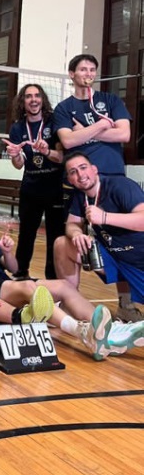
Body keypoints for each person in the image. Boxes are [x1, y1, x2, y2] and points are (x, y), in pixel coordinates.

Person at [0, 192, 144, 360]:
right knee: (28, 288)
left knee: (63, 286)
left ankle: (111, 332)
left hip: (5, 284)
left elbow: (14, 267)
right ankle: (81, 331)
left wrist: (7, 252)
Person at [52, 53, 140, 321]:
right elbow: (68, 142)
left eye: (92, 69)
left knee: (123, 240)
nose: (88, 74)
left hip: (112, 180)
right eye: (83, 69)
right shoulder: (64, 108)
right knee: (69, 238)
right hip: (82, 185)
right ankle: (70, 303)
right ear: (72, 74)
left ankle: (126, 304)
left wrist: (85, 131)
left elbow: (124, 134)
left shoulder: (110, 101)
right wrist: (102, 125)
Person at [54, 152, 144, 349]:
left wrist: (104, 217)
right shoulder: (80, 195)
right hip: (115, 257)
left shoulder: (121, 186)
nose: (80, 175)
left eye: (83, 168)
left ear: (94, 169)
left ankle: (126, 310)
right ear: (70, 179)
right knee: (62, 244)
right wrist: (76, 233)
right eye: (73, 172)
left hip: (139, 260)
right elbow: (71, 224)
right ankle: (71, 304)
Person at [2, 84, 64, 280]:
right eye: (28, 96)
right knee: (26, 233)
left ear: (42, 99)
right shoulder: (17, 127)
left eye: (37, 95)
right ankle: (21, 273)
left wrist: (46, 151)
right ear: (23, 101)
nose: (33, 99)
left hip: (55, 187)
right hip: (31, 187)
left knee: (55, 235)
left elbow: (62, 157)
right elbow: (19, 165)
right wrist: (14, 154)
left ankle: (53, 278)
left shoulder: (54, 121)